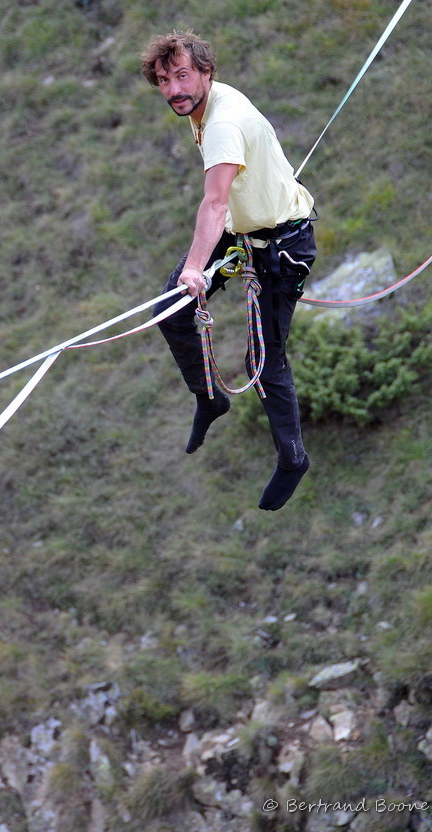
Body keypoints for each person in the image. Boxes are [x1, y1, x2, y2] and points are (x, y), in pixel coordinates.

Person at [141, 31, 317, 511]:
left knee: (265, 362)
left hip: (282, 245)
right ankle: (211, 398)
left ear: (205, 71)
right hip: (244, 233)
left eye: (182, 76)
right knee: (170, 312)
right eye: (164, 80)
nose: (174, 89)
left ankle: (293, 458)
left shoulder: (221, 122)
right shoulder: (204, 106)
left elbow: (214, 202)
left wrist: (196, 268)